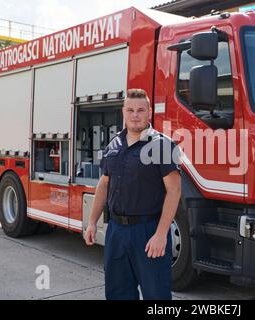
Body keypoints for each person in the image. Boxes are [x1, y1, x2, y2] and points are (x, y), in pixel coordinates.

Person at [85, 89, 181, 300]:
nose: (135, 115)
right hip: (116, 231)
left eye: (140, 110)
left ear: (149, 113)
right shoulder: (114, 144)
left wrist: (160, 234)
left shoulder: (162, 145)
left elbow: (174, 190)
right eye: (130, 110)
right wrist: (92, 221)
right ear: (123, 112)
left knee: (156, 296)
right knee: (118, 293)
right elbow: (104, 184)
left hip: (148, 233)